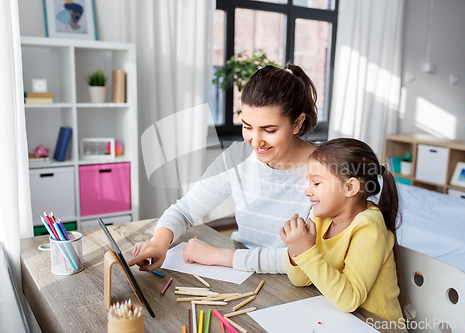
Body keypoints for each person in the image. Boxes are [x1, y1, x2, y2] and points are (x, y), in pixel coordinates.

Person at [128, 64, 318, 274]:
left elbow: (305, 257)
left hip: (296, 286)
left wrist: (216, 256)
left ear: (297, 123)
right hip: (240, 272)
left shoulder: (325, 170)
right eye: (247, 126)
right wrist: (158, 242)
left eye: (269, 130)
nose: (256, 142)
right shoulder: (237, 157)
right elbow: (184, 211)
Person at [280, 138, 405, 327]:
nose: (307, 191)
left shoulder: (369, 227)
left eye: (317, 183)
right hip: (340, 320)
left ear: (350, 187)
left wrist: (306, 251)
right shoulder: (321, 218)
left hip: (378, 326)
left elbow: (350, 300)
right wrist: (294, 249)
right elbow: (300, 280)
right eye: (309, 183)